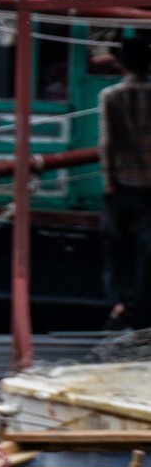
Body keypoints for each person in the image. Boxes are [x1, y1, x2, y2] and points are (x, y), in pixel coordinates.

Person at [102, 36, 151, 327]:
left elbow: (108, 143)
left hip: (121, 184)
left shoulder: (111, 96)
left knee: (115, 246)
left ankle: (120, 304)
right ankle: (145, 314)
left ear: (120, 64)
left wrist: (108, 181)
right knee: (148, 251)